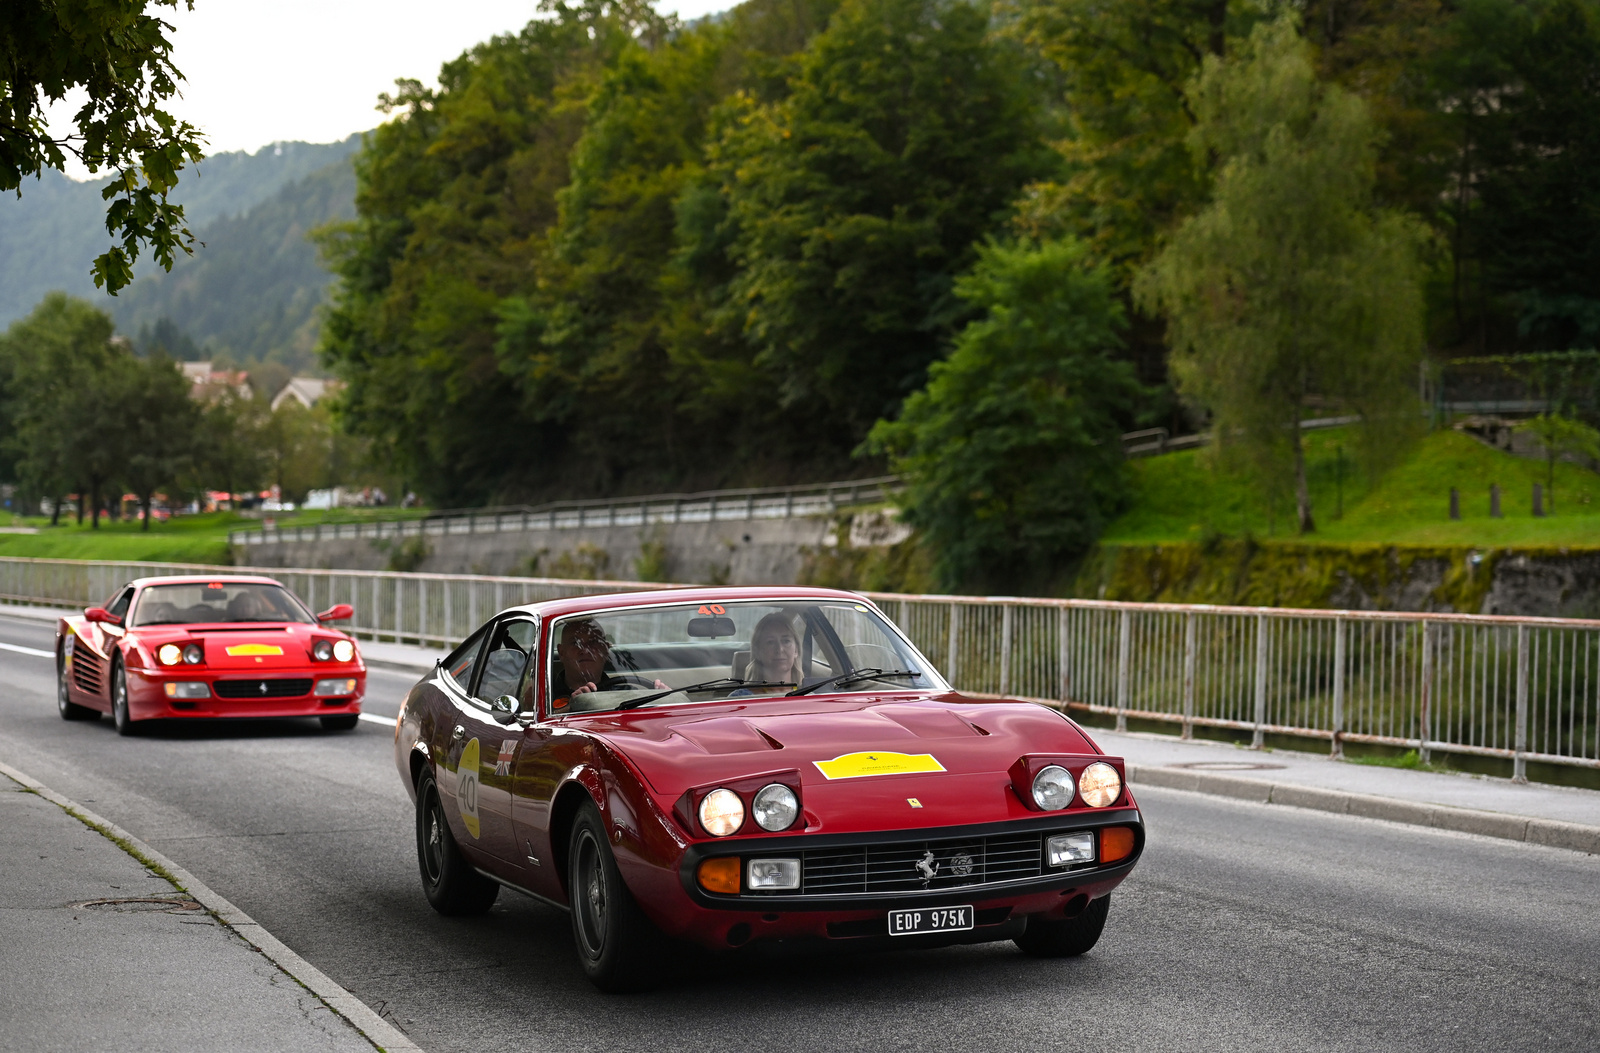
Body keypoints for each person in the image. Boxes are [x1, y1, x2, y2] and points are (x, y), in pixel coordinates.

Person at [551, 619, 666, 707]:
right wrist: (571, 706)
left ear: (605, 651)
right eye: (576, 643)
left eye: (593, 642)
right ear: (561, 652)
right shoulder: (544, 696)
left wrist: (666, 698)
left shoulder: (626, 693)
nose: (585, 650)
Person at [735, 612, 804, 694]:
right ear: (758, 652)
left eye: (786, 641)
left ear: (796, 650)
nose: (780, 649)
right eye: (770, 642)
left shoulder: (811, 697)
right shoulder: (740, 699)